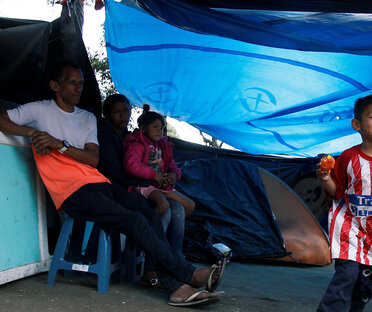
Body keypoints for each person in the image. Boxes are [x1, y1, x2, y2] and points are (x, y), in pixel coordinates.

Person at [0, 61, 222, 307]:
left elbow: (93, 158)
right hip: (72, 192)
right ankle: (186, 276)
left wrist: (58, 143)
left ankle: (176, 285)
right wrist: (33, 134)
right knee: (134, 220)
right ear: (55, 85)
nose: (78, 89)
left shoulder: (86, 118)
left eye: (81, 84)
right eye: (72, 83)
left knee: (148, 212)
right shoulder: (40, 111)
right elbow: (2, 119)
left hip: (98, 183)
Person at [316, 94, 372, 312]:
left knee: (367, 285)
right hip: (350, 226)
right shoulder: (348, 158)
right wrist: (327, 179)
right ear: (357, 124)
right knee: (346, 275)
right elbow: (337, 192)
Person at [97, 94, 186, 287]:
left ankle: (175, 261)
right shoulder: (107, 134)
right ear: (107, 114)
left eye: (126, 110)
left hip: (144, 187)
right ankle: (152, 268)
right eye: (117, 112)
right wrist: (150, 180)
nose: (123, 115)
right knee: (162, 212)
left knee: (177, 210)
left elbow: (169, 166)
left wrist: (168, 177)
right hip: (120, 190)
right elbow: (119, 171)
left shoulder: (136, 138)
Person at [123, 104, 195, 219]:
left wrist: (174, 175)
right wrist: (154, 175)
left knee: (190, 205)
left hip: (161, 185)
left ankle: (168, 234)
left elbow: (172, 165)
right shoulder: (137, 144)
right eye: (155, 127)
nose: (159, 131)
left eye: (161, 128)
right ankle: (147, 231)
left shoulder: (163, 147)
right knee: (163, 205)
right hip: (145, 184)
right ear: (143, 128)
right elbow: (131, 165)